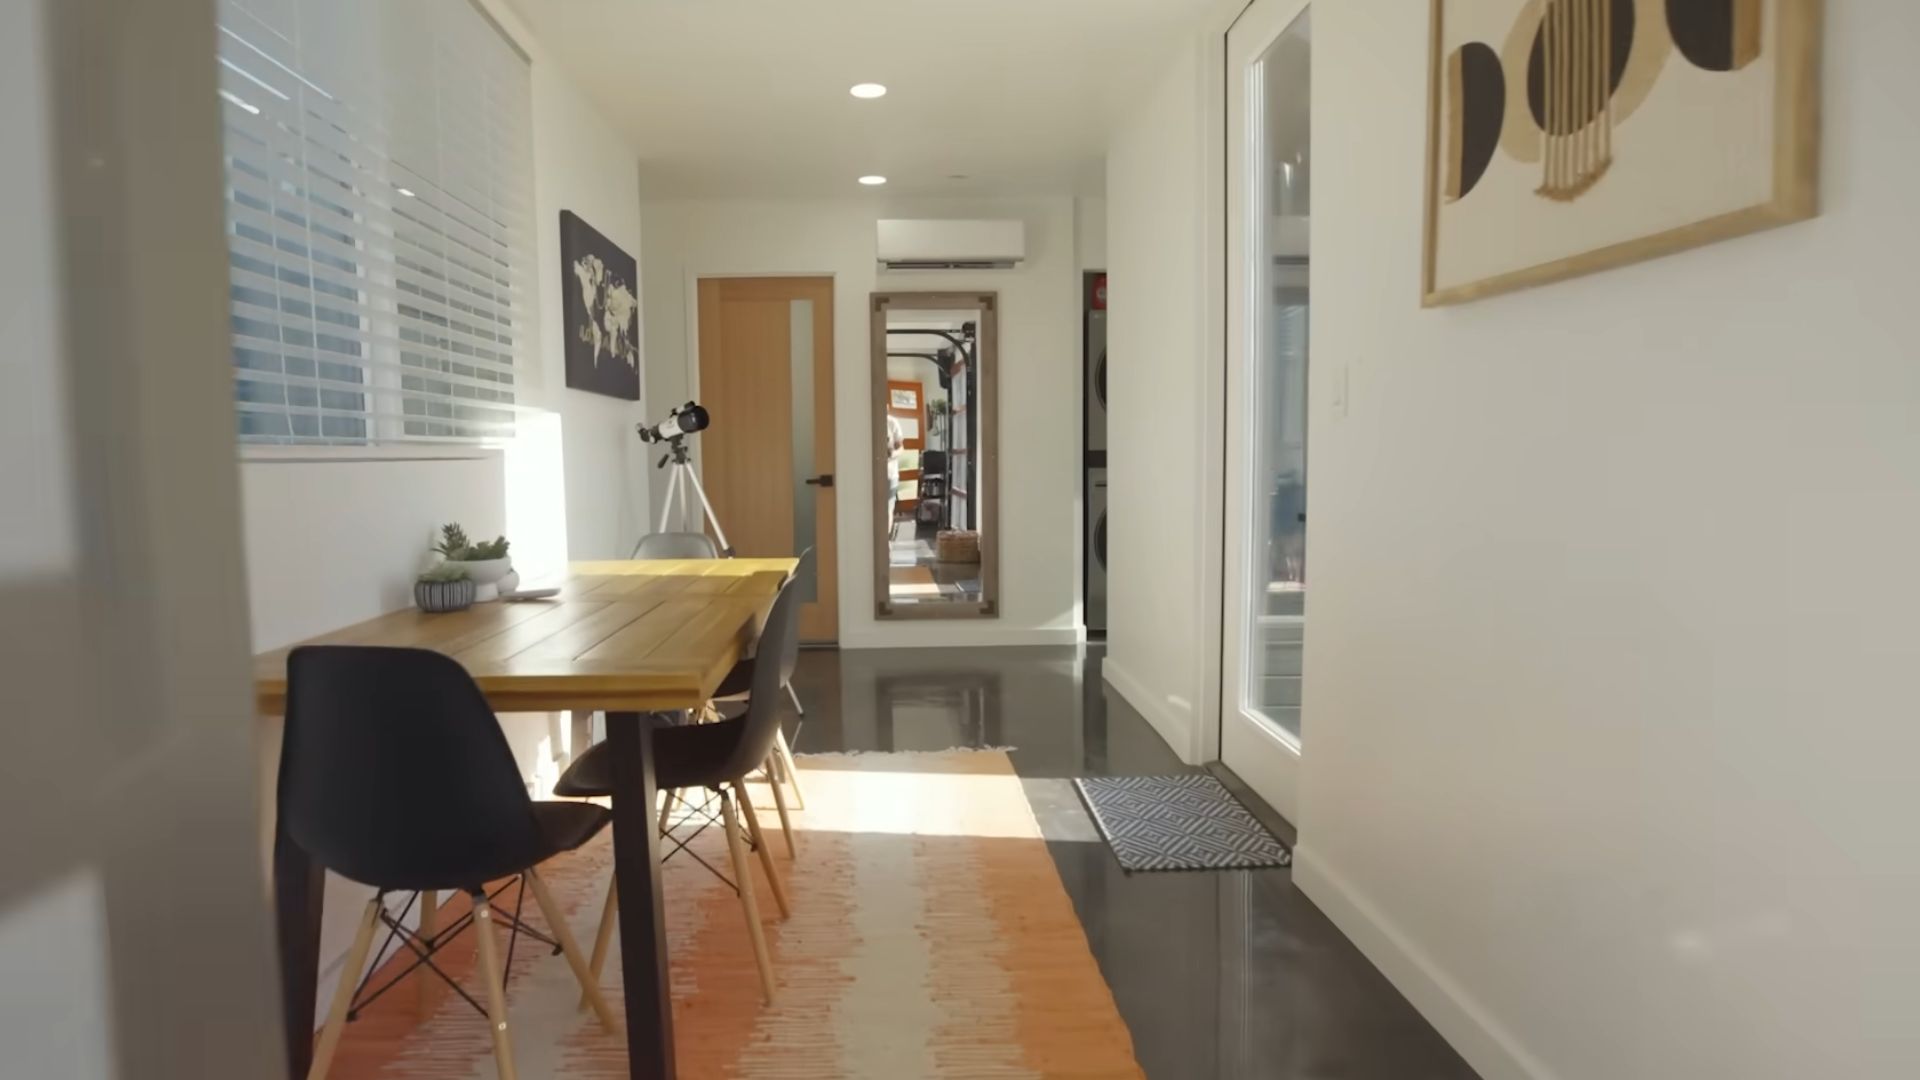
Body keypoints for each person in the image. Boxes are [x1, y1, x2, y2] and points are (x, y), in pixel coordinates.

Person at [884, 413, 904, 539]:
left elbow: (901, 447)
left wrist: (893, 454)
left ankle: (885, 542)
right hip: (867, 473)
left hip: (890, 473)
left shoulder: (892, 422)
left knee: (887, 510)